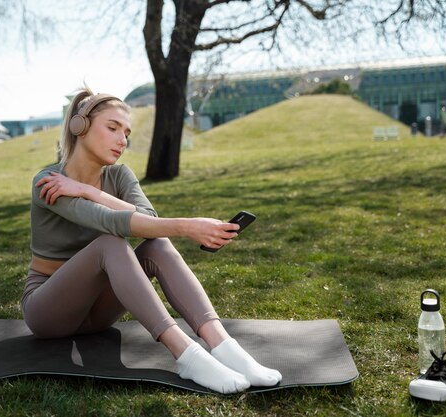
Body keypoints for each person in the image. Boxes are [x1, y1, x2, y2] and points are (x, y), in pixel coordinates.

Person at [21, 87, 282, 394]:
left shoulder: (119, 176)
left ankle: (225, 347)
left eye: (127, 132)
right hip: (49, 311)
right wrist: (188, 227)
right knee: (111, 242)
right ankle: (187, 355)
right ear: (81, 127)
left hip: (98, 315)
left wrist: (90, 191)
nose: (123, 140)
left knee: (157, 245)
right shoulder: (48, 182)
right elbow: (110, 222)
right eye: (113, 128)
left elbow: (149, 218)